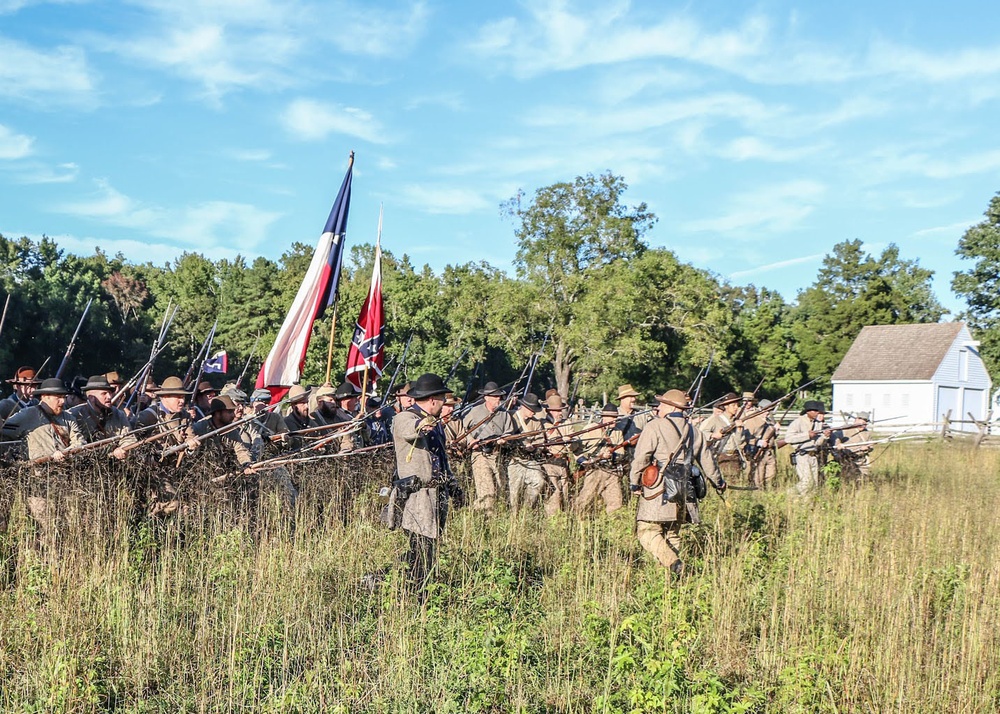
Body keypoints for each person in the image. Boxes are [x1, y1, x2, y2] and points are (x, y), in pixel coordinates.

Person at [629, 389, 725, 574]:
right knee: (672, 533)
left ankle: (673, 563)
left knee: (647, 531)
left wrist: (634, 482)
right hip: (685, 488)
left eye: (662, 404)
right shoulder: (694, 431)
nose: (659, 407)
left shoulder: (655, 426)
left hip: (659, 488)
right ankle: (670, 578)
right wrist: (718, 482)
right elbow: (707, 461)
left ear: (671, 406)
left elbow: (641, 457)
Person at [391, 373, 463, 591]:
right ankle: (414, 592)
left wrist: (453, 487)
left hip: (436, 493)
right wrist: (422, 425)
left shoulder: (437, 425)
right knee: (420, 549)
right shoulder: (405, 417)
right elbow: (410, 429)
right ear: (433, 400)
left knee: (430, 549)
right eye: (442, 399)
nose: (444, 405)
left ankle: (418, 588)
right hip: (416, 495)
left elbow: (441, 458)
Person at [1, 378, 87, 532]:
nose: (62, 401)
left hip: (65, 480)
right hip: (37, 481)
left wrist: (66, 453)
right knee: (45, 526)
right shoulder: (27, 415)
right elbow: (5, 431)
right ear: (45, 397)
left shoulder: (68, 418)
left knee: (69, 524)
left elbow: (79, 442)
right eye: (58, 397)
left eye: (64, 397)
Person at [461, 381, 514, 512]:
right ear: (486, 397)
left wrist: (504, 440)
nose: (498, 399)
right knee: (487, 491)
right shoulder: (474, 412)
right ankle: (483, 517)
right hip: (480, 455)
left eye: (499, 397)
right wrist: (471, 441)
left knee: (501, 490)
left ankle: (484, 514)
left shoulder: (504, 414)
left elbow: (509, 431)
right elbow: (463, 430)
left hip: (497, 455)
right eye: (495, 397)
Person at [574, 403, 625, 515]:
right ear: (604, 417)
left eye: (616, 418)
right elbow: (577, 449)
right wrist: (585, 461)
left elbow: (621, 454)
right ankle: (576, 520)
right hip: (594, 470)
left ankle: (613, 527)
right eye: (612, 418)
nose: (615, 420)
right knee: (585, 500)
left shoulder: (617, 432)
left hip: (611, 472)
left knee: (616, 503)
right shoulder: (591, 429)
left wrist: (612, 455)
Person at [69, 374, 136, 458]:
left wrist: (123, 449)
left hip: (113, 462)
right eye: (104, 393)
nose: (109, 396)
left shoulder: (118, 414)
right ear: (91, 397)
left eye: (110, 393)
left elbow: (129, 439)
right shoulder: (74, 415)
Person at [506, 392, 548, 512]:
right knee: (513, 492)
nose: (534, 413)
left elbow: (540, 440)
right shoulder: (510, 417)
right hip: (513, 459)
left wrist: (534, 447)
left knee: (539, 482)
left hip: (529, 458)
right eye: (532, 410)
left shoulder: (536, 422)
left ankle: (526, 509)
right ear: (524, 407)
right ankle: (513, 517)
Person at [540, 392, 579, 516]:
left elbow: (575, 445)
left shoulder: (567, 424)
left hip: (563, 463)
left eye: (560, 410)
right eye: (556, 410)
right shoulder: (542, 424)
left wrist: (569, 442)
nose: (560, 413)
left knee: (565, 494)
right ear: (549, 411)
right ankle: (552, 520)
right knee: (554, 495)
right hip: (549, 463)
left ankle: (564, 518)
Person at [784, 400, 831, 496]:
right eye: (815, 411)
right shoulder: (798, 422)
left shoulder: (818, 424)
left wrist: (824, 436)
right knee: (806, 482)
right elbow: (788, 438)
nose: (817, 413)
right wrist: (807, 435)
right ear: (808, 411)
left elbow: (817, 443)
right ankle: (787, 495)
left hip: (813, 456)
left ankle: (807, 504)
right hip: (802, 455)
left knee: (814, 485)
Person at [699, 392, 747, 481]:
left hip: (735, 456)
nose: (736, 408)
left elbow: (739, 442)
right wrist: (713, 435)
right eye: (733, 405)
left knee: (735, 482)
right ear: (726, 406)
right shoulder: (715, 419)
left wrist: (739, 429)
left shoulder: (737, 421)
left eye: (737, 405)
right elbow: (701, 434)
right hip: (721, 455)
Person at [743, 398, 778, 489]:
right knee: (758, 476)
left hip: (769, 451)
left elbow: (773, 437)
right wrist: (758, 442)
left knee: (771, 475)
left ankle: (768, 491)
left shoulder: (770, 421)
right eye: (766, 410)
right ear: (759, 408)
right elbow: (747, 437)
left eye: (769, 410)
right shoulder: (752, 420)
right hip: (758, 451)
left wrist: (776, 430)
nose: (767, 413)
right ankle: (758, 492)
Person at [833, 412, 873, 479]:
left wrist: (867, 448)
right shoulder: (846, 429)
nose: (862, 426)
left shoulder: (867, 433)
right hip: (846, 461)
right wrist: (838, 444)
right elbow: (834, 437)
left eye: (864, 424)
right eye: (861, 424)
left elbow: (871, 446)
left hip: (861, 461)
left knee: (862, 479)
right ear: (856, 420)